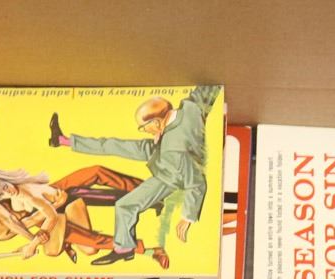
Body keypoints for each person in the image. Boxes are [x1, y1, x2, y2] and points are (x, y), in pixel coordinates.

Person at [48, 85, 222, 264]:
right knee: (114, 145)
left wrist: (188, 217)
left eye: (144, 127)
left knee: (125, 205)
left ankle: (124, 248)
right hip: (160, 150)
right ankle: (63, 140)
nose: (144, 131)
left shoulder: (174, 150)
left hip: (168, 175)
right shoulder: (190, 109)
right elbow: (205, 91)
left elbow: (197, 183)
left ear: (156, 122)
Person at [0, 167, 169, 268]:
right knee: (89, 245)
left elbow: (12, 221)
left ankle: (149, 190)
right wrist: (36, 240)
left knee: (96, 172)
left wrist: (32, 243)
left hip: (45, 196)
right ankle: (149, 251)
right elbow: (35, 220)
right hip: (50, 212)